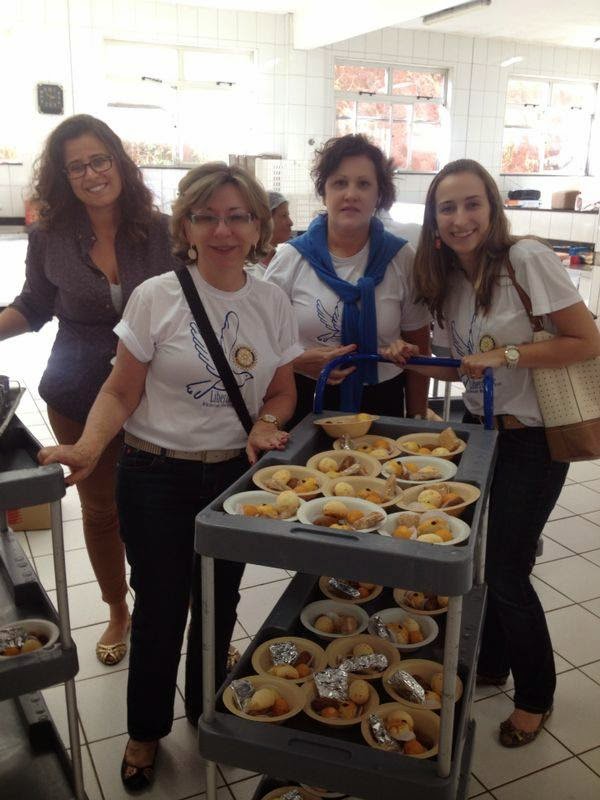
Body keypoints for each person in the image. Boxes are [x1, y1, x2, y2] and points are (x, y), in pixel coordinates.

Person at [38, 162, 301, 790]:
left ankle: (207, 711)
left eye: (237, 217)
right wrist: (90, 445)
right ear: (185, 225)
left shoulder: (270, 300)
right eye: (207, 217)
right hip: (155, 474)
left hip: (234, 480)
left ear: (258, 227)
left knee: (220, 600)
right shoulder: (157, 295)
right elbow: (120, 389)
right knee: (159, 607)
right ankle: (145, 731)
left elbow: (283, 390)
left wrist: (266, 424)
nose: (222, 230)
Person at [410, 158, 600, 747]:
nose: (461, 218)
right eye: (447, 208)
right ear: (434, 219)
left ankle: (536, 696)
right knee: (481, 557)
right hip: (480, 431)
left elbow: (586, 339)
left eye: (472, 204)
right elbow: (458, 364)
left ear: (493, 208)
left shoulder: (526, 260)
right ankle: (492, 662)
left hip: (535, 437)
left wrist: (508, 355)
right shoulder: (450, 281)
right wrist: (407, 356)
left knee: (508, 569)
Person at [0, 114, 181, 666]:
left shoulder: (165, 230)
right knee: (101, 511)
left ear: (119, 162)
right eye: (75, 166)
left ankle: (178, 609)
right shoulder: (49, 237)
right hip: (78, 390)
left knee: (167, 510)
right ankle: (118, 611)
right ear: (63, 177)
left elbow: (200, 298)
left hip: (159, 391)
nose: (91, 173)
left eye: (99, 160)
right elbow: (33, 305)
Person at [264, 134, 431, 428]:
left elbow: (419, 348)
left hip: (383, 400)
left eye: (363, 184)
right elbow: (259, 343)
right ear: (324, 192)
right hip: (304, 397)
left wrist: (417, 418)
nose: (351, 194)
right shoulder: (291, 259)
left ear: (379, 195)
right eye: (340, 183)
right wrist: (299, 361)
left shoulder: (401, 258)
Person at [245, 190, 294, 277]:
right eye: (284, 215)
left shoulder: (283, 259)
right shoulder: (249, 271)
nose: (290, 223)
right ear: (266, 220)